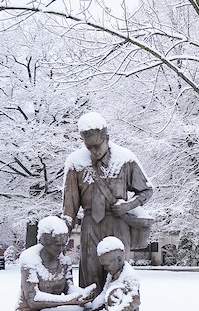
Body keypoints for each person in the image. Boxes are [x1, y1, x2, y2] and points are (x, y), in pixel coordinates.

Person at [63, 112, 153, 289]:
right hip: (90, 225)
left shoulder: (125, 160)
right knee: (90, 272)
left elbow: (146, 190)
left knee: (118, 274)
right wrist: (63, 234)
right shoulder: (76, 163)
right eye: (90, 147)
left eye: (98, 145)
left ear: (107, 138)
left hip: (118, 223)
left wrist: (128, 205)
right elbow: (69, 207)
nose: (94, 151)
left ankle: (120, 310)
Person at [13, 216, 97, 311]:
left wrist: (83, 295)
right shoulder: (30, 260)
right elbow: (33, 299)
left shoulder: (64, 262)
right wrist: (70, 300)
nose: (61, 249)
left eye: (64, 244)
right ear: (44, 243)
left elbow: (69, 288)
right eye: (57, 245)